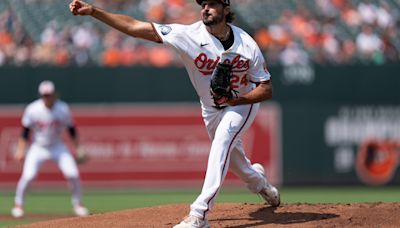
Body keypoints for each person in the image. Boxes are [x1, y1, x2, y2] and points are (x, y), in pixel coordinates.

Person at [69, 0, 280, 227]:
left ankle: (199, 214)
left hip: (242, 103)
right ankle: (260, 183)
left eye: (213, 3)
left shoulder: (247, 44)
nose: (206, 8)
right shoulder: (187, 35)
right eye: (203, 4)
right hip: (210, 108)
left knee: (223, 140)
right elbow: (134, 27)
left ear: (226, 9)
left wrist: (236, 99)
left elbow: (266, 89)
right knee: (236, 161)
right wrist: (93, 12)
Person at [11, 80, 89, 218]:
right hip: (38, 147)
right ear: (41, 95)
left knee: (73, 174)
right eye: (44, 95)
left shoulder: (63, 108)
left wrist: (78, 148)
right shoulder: (33, 109)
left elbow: (71, 130)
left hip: (57, 146)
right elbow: (25, 132)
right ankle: (18, 204)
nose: (47, 97)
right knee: (28, 176)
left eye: (49, 95)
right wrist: (21, 150)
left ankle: (78, 204)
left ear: (54, 95)